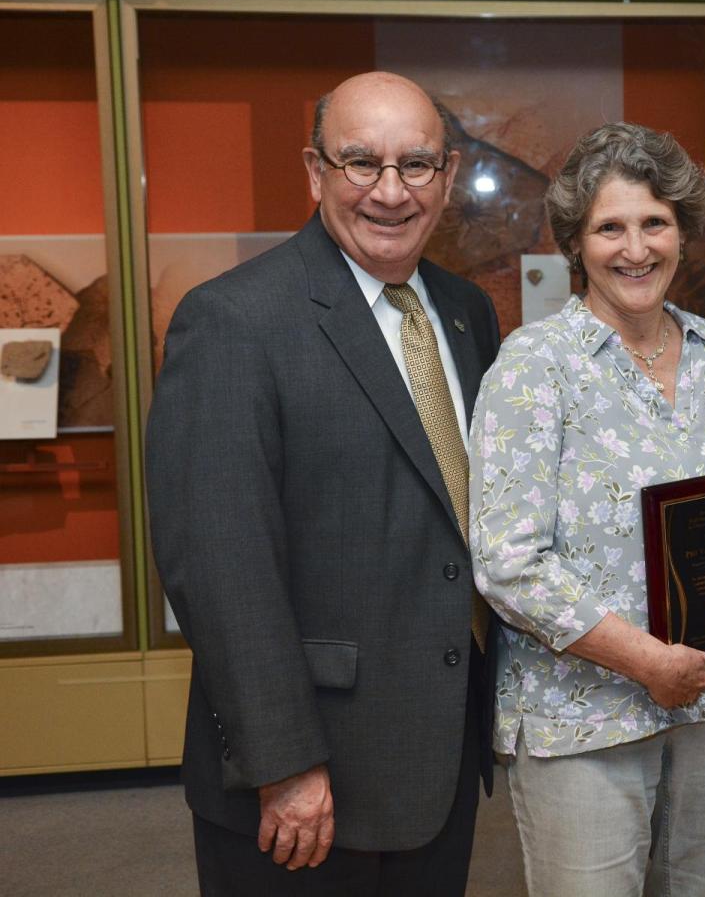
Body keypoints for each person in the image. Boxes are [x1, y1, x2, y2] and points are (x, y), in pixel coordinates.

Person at [147, 71, 501, 894]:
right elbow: (219, 562)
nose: (389, 191)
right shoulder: (235, 320)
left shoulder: (463, 312)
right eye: (359, 163)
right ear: (313, 172)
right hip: (307, 781)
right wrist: (286, 764)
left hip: (438, 756)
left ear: (447, 178)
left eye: (415, 164)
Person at [469, 121, 705, 897]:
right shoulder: (534, 367)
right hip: (583, 717)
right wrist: (645, 662)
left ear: (683, 232)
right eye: (610, 228)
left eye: (655, 223)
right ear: (575, 243)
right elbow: (508, 560)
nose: (636, 249)